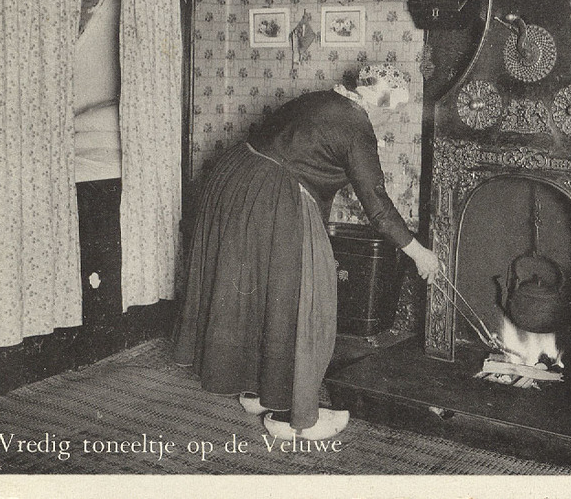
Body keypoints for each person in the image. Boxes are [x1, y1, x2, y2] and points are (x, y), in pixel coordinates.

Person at [175, 64, 440, 441]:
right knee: (302, 299)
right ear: (378, 103)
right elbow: (378, 208)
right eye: (391, 111)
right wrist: (419, 253)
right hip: (271, 196)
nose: (390, 119)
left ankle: (256, 391)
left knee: (255, 292)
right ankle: (289, 416)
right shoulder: (356, 128)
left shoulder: (325, 99)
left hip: (235, 180)